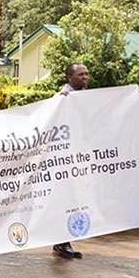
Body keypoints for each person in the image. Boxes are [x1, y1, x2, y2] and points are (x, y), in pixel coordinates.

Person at [52, 62, 89, 259]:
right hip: (63, 159)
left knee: (75, 199)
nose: (85, 77)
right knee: (65, 199)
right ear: (69, 78)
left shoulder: (87, 98)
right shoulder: (60, 99)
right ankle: (61, 241)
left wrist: (133, 98)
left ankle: (63, 240)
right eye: (81, 74)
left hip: (79, 157)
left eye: (86, 74)